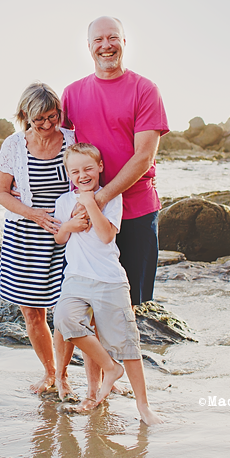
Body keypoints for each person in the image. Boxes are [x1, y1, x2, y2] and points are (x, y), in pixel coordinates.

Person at [61, 16, 169, 306]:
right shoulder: (71, 93)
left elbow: (144, 156)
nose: (105, 46)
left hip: (136, 211)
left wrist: (99, 197)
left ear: (123, 42)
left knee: (134, 304)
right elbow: (56, 145)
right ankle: (100, 355)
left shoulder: (145, 90)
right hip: (87, 220)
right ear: (88, 46)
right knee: (86, 305)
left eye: (112, 38)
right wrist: (19, 182)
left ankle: (131, 354)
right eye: (98, 40)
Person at [52, 143, 162, 423]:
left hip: (109, 280)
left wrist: (90, 202)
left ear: (100, 167)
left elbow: (105, 236)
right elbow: (59, 238)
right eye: (75, 171)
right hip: (75, 279)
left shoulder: (111, 198)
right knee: (64, 319)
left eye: (88, 168)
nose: (82, 175)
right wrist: (69, 226)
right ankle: (109, 369)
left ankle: (143, 407)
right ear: (68, 173)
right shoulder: (64, 202)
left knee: (127, 344)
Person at [0, 82, 78, 395]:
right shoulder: (14, 145)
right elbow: (0, 192)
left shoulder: (73, 140)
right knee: (32, 312)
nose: (45, 124)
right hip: (24, 235)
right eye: (38, 119)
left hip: (66, 236)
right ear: (25, 115)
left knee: (66, 309)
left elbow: (89, 177)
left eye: (52, 117)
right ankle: (50, 373)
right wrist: (34, 214)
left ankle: (65, 375)